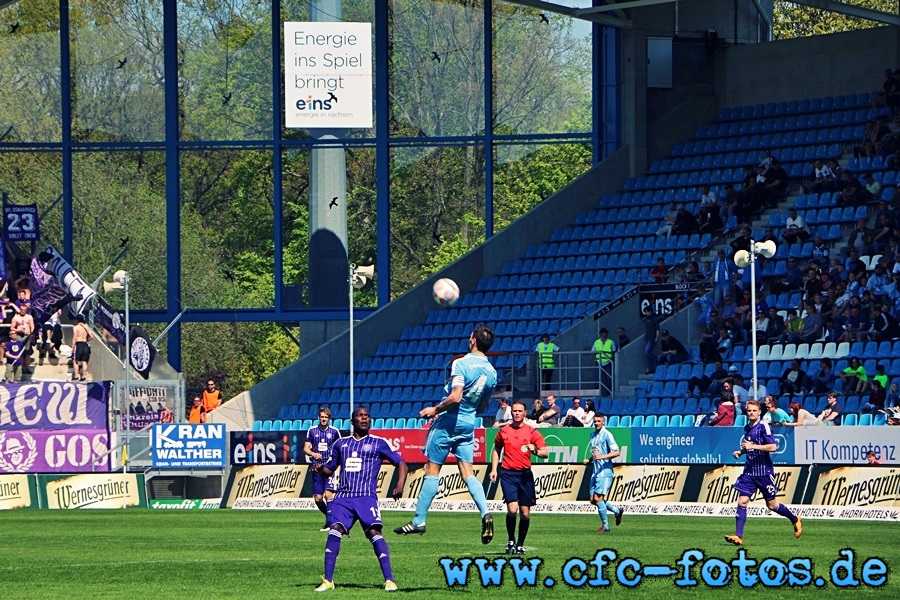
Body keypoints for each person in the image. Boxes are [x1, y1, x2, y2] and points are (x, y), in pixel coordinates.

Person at [395, 324, 497, 543]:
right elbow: (483, 405)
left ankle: (419, 520)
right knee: (467, 471)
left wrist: (435, 409)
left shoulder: (460, 363)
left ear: (473, 341)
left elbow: (455, 397)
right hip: (469, 424)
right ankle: (485, 512)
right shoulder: (492, 372)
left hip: (448, 421)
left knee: (432, 469)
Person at [315, 406, 407, 593]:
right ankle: (328, 580)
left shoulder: (378, 443)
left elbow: (401, 463)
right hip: (343, 497)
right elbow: (330, 468)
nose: (364, 419)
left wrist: (400, 485)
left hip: (366, 497)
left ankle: (389, 580)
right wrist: (320, 468)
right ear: (352, 421)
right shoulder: (341, 444)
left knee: (374, 533)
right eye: (360, 416)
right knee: (335, 530)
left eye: (367, 416)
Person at [725, 400, 802, 547]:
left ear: (759, 412)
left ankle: (794, 519)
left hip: (763, 472)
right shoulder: (747, 427)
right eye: (749, 411)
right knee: (742, 501)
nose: (751, 413)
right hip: (749, 472)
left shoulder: (764, 426)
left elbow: (773, 447)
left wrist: (751, 446)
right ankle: (738, 536)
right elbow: (750, 447)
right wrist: (741, 452)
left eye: (754, 410)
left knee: (772, 506)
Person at [489, 400, 548, 556]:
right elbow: (496, 449)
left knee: (525, 513)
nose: (516, 413)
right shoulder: (504, 431)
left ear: (525, 413)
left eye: (519, 411)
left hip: (525, 475)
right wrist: (494, 469)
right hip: (508, 473)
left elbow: (545, 453)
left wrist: (534, 450)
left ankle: (520, 544)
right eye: (514, 411)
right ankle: (510, 540)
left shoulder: (531, 431)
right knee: (512, 510)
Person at [304, 407, 342, 532]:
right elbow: (306, 448)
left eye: (326, 417)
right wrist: (313, 454)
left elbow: (340, 448)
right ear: (319, 417)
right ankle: (329, 517)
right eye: (322, 417)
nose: (324, 419)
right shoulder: (312, 431)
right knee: (318, 498)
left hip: (329, 466)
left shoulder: (335, 432)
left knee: (329, 494)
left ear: (329, 419)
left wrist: (339, 463)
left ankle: (330, 523)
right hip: (316, 467)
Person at [586, 413, 624, 533]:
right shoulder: (592, 435)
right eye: (595, 421)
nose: (596, 423)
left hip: (605, 471)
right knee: (593, 500)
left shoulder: (607, 435)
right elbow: (596, 453)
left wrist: (602, 457)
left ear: (603, 422)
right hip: (595, 471)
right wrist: (590, 459)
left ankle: (605, 526)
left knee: (598, 498)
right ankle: (617, 511)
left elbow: (617, 452)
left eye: (599, 421)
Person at [592, 328, 616, 396]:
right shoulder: (596, 342)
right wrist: (595, 360)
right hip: (599, 362)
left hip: (608, 362)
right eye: (603, 333)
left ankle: (610, 393)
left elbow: (614, 351)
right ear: (601, 334)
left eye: (606, 333)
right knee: (597, 378)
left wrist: (611, 359)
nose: (605, 334)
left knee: (608, 378)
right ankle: (597, 393)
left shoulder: (611, 342)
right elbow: (593, 351)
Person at [72, 314, 93, 382]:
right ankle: (84, 376)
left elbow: (74, 338)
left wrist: (72, 347)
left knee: (75, 360)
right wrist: (86, 340)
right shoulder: (86, 326)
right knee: (84, 361)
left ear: (77, 320)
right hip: (85, 344)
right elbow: (92, 336)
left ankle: (76, 376)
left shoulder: (76, 327)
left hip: (78, 344)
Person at [642, 305, 660, 375]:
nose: (646, 313)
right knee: (646, 354)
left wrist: (657, 337)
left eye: (646, 312)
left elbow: (658, 329)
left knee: (647, 352)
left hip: (652, 338)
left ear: (649, 311)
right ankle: (650, 368)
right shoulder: (647, 319)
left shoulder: (654, 318)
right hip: (647, 338)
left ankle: (656, 359)